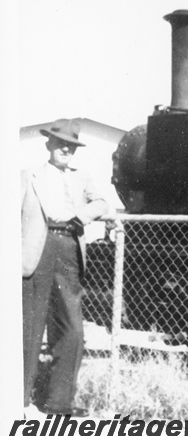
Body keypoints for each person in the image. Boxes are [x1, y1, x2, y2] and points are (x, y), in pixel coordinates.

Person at [21, 118, 108, 417]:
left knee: (71, 330)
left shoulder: (82, 178)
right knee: (29, 328)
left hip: (68, 249)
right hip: (36, 252)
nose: (65, 149)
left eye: (70, 146)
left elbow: (101, 204)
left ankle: (58, 404)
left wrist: (80, 217)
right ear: (49, 145)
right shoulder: (27, 176)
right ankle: (19, 401)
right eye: (60, 144)